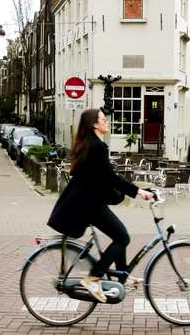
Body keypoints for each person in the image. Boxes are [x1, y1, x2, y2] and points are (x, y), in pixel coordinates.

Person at [47, 109, 154, 303]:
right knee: (122, 237)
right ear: (94, 124)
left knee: (119, 235)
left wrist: (131, 190)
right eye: (104, 119)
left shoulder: (89, 145)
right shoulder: (97, 147)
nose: (107, 122)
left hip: (84, 202)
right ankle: (93, 278)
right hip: (89, 205)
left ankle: (121, 277)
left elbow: (102, 178)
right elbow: (110, 178)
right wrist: (139, 192)